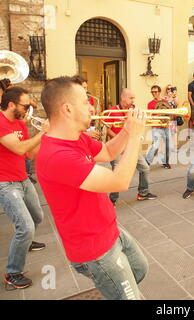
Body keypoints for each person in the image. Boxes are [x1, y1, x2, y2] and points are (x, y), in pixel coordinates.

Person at [36, 76, 148, 300]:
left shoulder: (76, 138)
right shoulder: (57, 155)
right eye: (85, 101)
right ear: (67, 109)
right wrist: (136, 137)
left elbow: (107, 152)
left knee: (139, 269)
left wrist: (126, 131)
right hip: (94, 249)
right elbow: (119, 182)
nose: (92, 106)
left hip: (109, 229)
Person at [0, 87, 48, 289]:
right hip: (6, 183)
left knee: (37, 217)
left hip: (22, 178)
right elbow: (19, 147)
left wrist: (41, 135)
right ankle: (12, 273)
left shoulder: (19, 122)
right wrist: (43, 131)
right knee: (25, 226)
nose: (29, 110)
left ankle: (25, 243)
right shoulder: (1, 123)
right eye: (25, 105)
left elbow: (28, 153)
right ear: (11, 104)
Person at [106, 89, 157, 205]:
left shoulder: (132, 111)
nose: (133, 101)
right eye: (131, 98)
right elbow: (108, 130)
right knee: (117, 174)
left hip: (130, 146)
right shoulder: (112, 111)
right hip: (117, 148)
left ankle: (143, 193)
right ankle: (112, 199)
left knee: (145, 168)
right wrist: (121, 139)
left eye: (134, 98)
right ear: (123, 98)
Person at [146, 85, 172, 169]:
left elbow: (170, 112)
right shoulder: (150, 104)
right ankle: (147, 162)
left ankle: (165, 162)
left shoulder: (165, 101)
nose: (154, 93)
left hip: (165, 125)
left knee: (168, 145)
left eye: (155, 92)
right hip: (156, 126)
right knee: (155, 146)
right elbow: (150, 116)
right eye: (152, 92)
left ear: (159, 92)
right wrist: (158, 114)